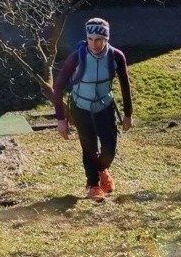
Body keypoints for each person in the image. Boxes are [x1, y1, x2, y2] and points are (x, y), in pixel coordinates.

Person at [51, 17, 133, 201]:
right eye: (90, 39)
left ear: (106, 39)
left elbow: (125, 85)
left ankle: (103, 169)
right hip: (81, 107)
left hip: (105, 107)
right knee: (89, 148)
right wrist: (61, 120)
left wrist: (128, 114)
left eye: (98, 39)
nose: (94, 44)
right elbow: (58, 87)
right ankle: (93, 185)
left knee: (109, 149)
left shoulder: (116, 56)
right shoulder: (77, 57)